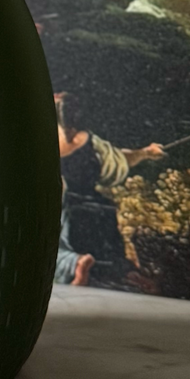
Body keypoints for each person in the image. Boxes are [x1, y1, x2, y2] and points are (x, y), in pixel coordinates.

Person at [53, 91, 165, 286]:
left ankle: (76, 265)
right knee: (110, 255)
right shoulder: (89, 140)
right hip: (98, 208)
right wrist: (146, 152)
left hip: (67, 212)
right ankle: (125, 273)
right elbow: (119, 162)